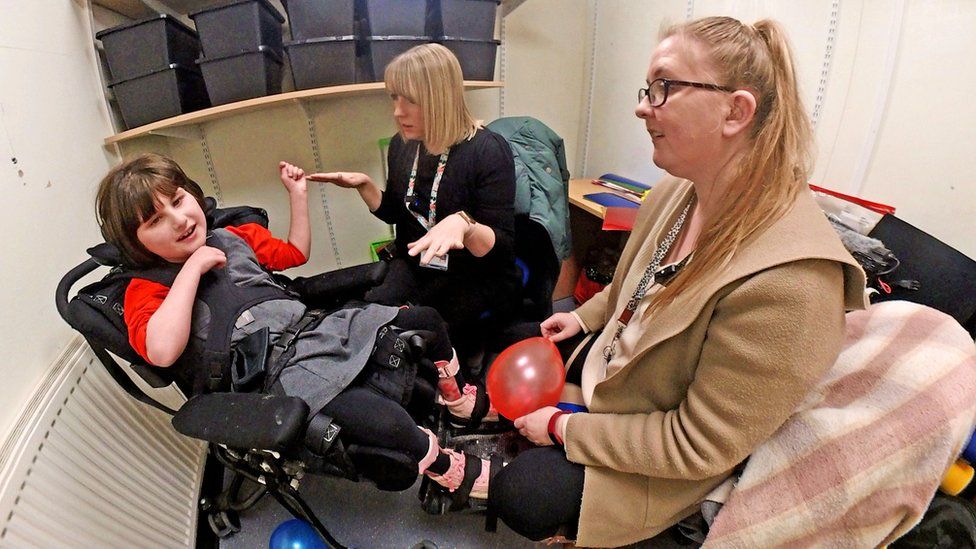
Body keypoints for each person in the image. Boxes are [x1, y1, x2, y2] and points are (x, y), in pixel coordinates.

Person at [487, 16, 868, 546]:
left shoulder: (791, 283)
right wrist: (580, 316)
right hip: (622, 383)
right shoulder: (675, 193)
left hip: (666, 449)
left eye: (664, 87)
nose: (643, 106)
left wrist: (562, 428)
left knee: (522, 495)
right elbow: (629, 291)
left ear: (735, 111)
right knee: (512, 331)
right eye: (649, 88)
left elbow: (696, 445)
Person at [94, 153, 493, 499]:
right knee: (387, 423)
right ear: (136, 243)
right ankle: (446, 468)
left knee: (424, 320)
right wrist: (193, 267)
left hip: (313, 328)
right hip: (277, 373)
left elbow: (295, 253)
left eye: (179, 201)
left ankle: (453, 398)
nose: (180, 220)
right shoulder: (144, 290)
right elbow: (162, 350)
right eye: (156, 220)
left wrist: (297, 195)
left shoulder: (233, 236)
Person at [310, 44, 519, 388]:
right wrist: (365, 187)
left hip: (474, 274)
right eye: (394, 98)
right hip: (418, 263)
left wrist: (464, 225)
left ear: (439, 97)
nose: (397, 111)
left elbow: (501, 252)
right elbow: (398, 212)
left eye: (410, 100)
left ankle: (461, 377)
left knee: (421, 325)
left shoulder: (487, 150)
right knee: (373, 312)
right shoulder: (402, 145)